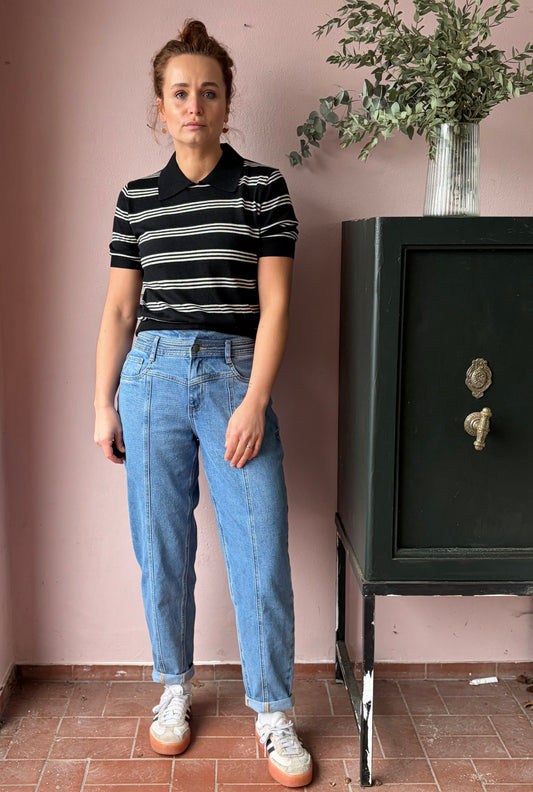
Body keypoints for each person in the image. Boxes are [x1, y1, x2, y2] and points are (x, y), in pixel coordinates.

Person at [94, 19, 312, 789]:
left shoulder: (262, 189)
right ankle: (173, 687)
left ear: (226, 104)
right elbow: (120, 310)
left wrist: (256, 401)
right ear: (160, 107)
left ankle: (273, 710)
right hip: (150, 379)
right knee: (161, 550)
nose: (194, 106)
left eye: (208, 93)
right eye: (180, 93)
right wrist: (102, 404)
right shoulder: (136, 199)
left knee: (260, 550)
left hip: (233, 377)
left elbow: (276, 306)